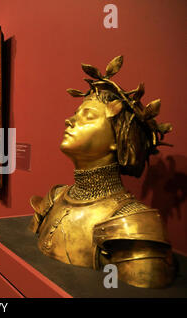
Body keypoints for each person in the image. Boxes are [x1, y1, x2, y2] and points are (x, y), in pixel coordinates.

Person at [28, 56, 175, 288]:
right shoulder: (54, 199)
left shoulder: (132, 223)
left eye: (87, 117)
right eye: (76, 115)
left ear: (118, 139)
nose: (69, 121)